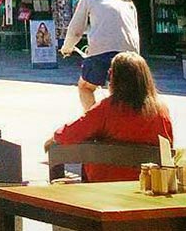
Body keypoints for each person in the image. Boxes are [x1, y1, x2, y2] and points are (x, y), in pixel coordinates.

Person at [44, 51, 173, 182]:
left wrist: (54, 137)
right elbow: (168, 146)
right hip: (149, 184)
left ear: (115, 78)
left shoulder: (107, 107)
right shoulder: (161, 110)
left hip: (105, 186)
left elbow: (70, 133)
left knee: (56, 148)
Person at [60, 0, 140, 112]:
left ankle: (92, 122)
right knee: (121, 91)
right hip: (130, 55)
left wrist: (67, 48)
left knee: (85, 87)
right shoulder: (128, 0)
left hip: (102, 53)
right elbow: (134, 30)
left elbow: (76, 30)